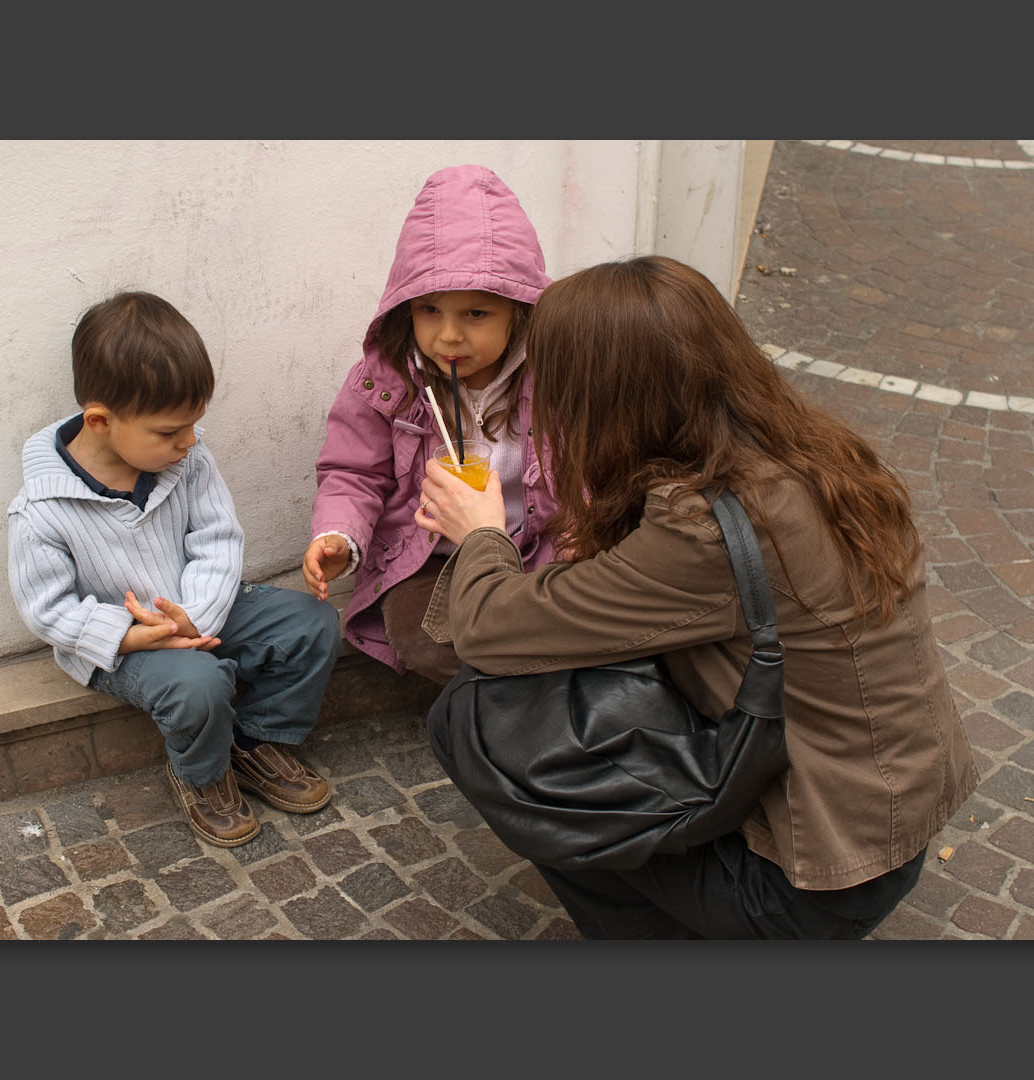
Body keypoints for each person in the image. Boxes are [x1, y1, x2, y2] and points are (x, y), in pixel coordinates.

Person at [413, 255, 981, 939]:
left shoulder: (705, 525)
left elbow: (486, 628)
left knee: (471, 716)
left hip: (802, 888)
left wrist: (480, 532)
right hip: (889, 827)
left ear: (604, 398)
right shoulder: (804, 452)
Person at [8, 290, 342, 848]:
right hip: (125, 643)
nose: (189, 442)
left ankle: (257, 740)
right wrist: (131, 636)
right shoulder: (42, 510)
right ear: (101, 421)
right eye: (169, 432)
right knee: (197, 684)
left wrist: (194, 616)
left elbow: (218, 539)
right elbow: (48, 611)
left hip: (203, 608)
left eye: (193, 424)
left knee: (312, 622)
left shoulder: (187, 461)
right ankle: (203, 776)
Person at [304, 164, 559, 684]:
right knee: (426, 640)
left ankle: (531, 692)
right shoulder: (387, 383)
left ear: (518, 308)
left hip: (536, 551)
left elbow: (592, 469)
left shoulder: (556, 375)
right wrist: (338, 535)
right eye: (430, 310)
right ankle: (510, 695)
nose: (447, 336)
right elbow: (354, 472)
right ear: (405, 309)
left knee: (561, 622)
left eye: (475, 314)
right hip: (435, 560)